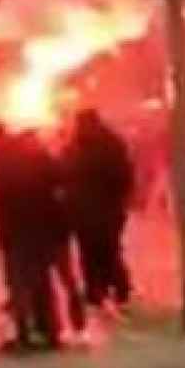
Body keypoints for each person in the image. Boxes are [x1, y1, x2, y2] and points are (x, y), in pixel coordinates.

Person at [0, 125, 62, 350]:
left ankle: (24, 333)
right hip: (38, 232)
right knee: (41, 284)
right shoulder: (37, 164)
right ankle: (49, 330)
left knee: (18, 284)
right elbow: (57, 176)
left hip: (12, 234)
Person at [62, 109, 136, 308]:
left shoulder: (79, 148)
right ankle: (110, 287)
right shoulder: (111, 144)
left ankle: (103, 288)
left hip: (92, 208)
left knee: (97, 250)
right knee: (105, 248)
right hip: (101, 207)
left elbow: (66, 173)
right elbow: (124, 173)